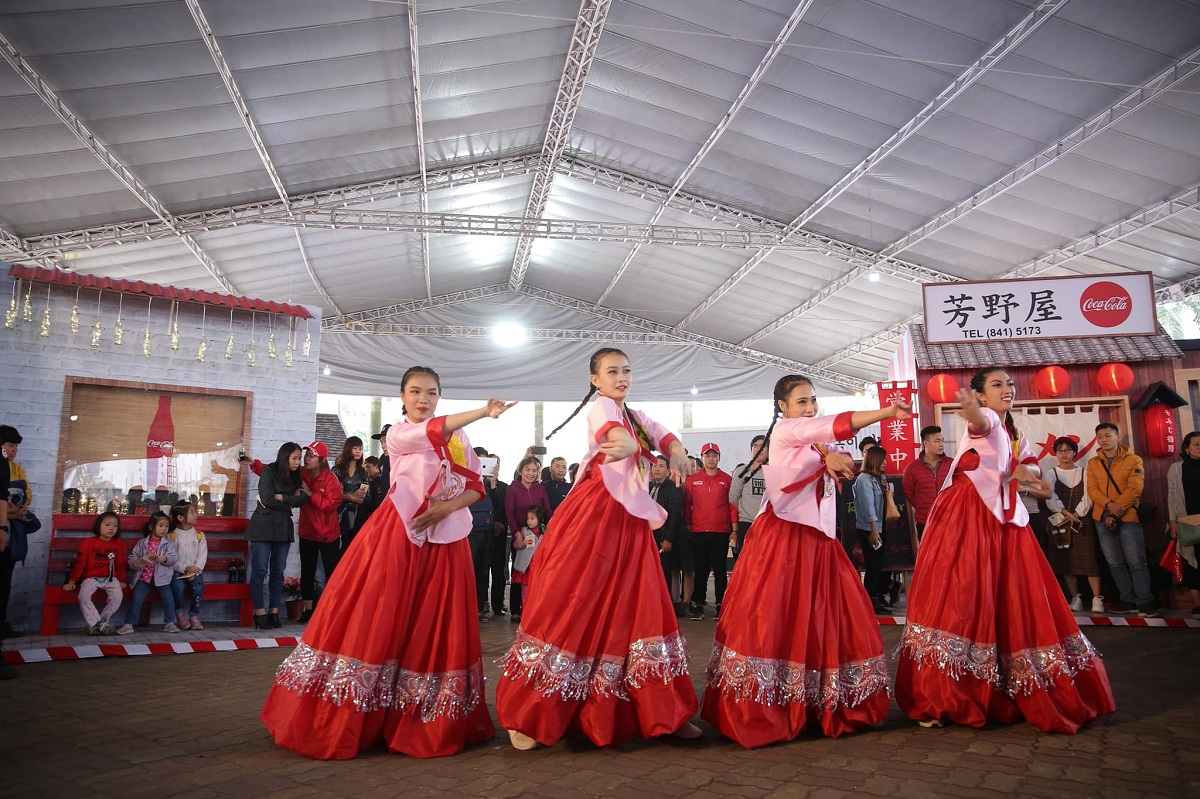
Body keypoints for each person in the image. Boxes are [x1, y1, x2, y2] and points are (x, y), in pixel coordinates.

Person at [261, 367, 515, 760]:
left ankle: (423, 713)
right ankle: (355, 712)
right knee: (379, 616)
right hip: (399, 535)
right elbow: (433, 431)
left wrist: (445, 507)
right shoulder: (397, 435)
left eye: (431, 393)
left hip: (446, 540)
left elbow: (475, 488)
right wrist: (484, 411)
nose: (423, 399)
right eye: (415, 391)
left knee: (435, 624)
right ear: (402, 396)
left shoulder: (460, 438)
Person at [496, 347, 701, 750]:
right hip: (596, 516)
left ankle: (662, 710)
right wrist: (624, 447)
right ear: (595, 380)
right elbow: (614, 438)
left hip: (629, 520)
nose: (622, 377)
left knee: (641, 603)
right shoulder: (602, 409)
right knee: (574, 599)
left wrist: (676, 451)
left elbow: (661, 434)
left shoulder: (634, 415)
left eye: (627, 370)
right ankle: (534, 709)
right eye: (612, 372)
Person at [895, 367, 1115, 733]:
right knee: (964, 598)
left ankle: (999, 686)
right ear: (980, 396)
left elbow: (1027, 462)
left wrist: (1030, 478)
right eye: (997, 385)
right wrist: (975, 413)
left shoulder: (1013, 431)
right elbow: (983, 426)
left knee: (1010, 597)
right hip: (968, 520)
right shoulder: (989, 422)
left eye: (1010, 384)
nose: (1008, 389)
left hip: (1003, 520)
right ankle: (946, 692)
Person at [703, 375, 908, 746]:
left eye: (813, 400)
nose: (810, 407)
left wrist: (831, 459)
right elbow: (830, 427)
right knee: (779, 614)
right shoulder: (784, 431)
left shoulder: (812, 440)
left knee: (822, 614)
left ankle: (816, 698)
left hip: (817, 540)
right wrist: (887, 412)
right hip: (785, 539)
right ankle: (771, 704)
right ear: (782, 407)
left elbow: (825, 443)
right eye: (801, 401)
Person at [1085, 422, 1155, 617]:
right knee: (1115, 563)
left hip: (1128, 516)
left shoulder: (1133, 460)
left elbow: (1135, 489)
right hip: (1102, 516)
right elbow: (1092, 490)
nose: (1104, 440)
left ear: (1117, 437)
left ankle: (1145, 601)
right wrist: (1109, 506)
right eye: (1100, 437)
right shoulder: (1093, 463)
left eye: (1108, 435)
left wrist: (1116, 511)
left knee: (1136, 561)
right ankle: (1128, 599)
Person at [245, 443, 309, 630]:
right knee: (259, 571)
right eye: (294, 458)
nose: (298, 462)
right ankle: (259, 612)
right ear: (285, 457)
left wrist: (282, 498)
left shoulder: (298, 475)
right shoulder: (269, 471)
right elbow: (267, 499)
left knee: (278, 571)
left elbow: (303, 498)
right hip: (262, 526)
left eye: (299, 458)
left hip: (282, 528)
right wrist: (288, 500)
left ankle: (274, 610)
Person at [1042, 437, 1103, 614]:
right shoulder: (1050, 472)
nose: (1064, 454)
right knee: (1066, 561)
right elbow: (1049, 496)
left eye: (1068, 450)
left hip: (1082, 520)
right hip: (1060, 521)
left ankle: (1096, 598)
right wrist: (1063, 512)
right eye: (1060, 450)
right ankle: (1075, 597)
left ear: (1074, 452)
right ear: (1055, 453)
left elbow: (1089, 494)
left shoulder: (1084, 471)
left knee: (1089, 558)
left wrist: (1076, 513)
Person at [684, 443, 736, 621]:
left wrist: (734, 529)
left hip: (720, 530)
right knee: (701, 569)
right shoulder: (693, 480)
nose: (711, 458)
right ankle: (699, 603)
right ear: (702, 458)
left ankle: (720, 604)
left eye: (714, 455)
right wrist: (689, 525)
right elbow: (687, 506)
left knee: (720, 569)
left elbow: (731, 506)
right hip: (699, 531)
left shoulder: (726, 480)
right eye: (707, 455)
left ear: (719, 457)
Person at [296, 441, 342, 623]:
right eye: (306, 455)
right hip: (307, 532)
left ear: (321, 460)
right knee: (306, 571)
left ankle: (331, 610)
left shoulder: (331, 479)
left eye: (311, 456)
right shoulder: (301, 473)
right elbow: (277, 472)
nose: (307, 459)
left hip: (328, 534)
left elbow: (331, 505)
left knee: (331, 573)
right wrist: (254, 464)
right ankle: (308, 611)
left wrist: (310, 493)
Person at [62, 511, 128, 635]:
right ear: (99, 525)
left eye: (115, 526)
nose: (111, 528)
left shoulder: (118, 543)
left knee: (117, 597)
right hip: (91, 578)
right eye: (107, 525)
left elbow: (121, 564)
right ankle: (100, 625)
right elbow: (80, 564)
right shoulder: (89, 543)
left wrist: (122, 580)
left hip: (110, 578)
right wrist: (72, 581)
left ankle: (97, 624)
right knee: (83, 596)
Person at [504, 456, 552, 622]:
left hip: (539, 536)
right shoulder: (513, 489)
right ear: (521, 471)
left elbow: (547, 509)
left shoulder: (540, 488)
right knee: (519, 570)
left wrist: (551, 530)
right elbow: (509, 512)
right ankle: (516, 610)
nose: (531, 473)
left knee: (538, 572)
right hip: (521, 535)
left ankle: (534, 608)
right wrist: (517, 533)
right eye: (528, 470)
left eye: (534, 470)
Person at [117, 512, 180, 634]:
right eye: (161, 525)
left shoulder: (169, 544)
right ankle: (129, 624)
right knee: (136, 598)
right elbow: (132, 558)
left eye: (166, 526)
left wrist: (164, 559)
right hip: (143, 578)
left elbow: (173, 558)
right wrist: (137, 562)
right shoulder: (142, 543)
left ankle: (170, 623)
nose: (164, 529)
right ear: (151, 527)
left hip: (162, 579)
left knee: (168, 599)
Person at [1166, 431, 1200, 619]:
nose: (1199, 447)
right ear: (1186, 448)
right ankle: (1197, 605)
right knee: (1192, 561)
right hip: (1188, 522)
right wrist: (1173, 522)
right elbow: (1171, 496)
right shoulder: (1176, 468)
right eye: (1196, 444)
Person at [853, 446, 890, 615]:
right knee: (873, 565)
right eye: (882, 460)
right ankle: (870, 601)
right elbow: (868, 508)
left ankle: (874, 598)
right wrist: (874, 531)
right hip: (870, 528)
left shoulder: (880, 478)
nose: (885, 463)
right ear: (874, 460)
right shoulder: (864, 479)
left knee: (879, 565)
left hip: (881, 526)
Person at [902, 426, 952, 542]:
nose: (941, 444)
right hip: (925, 520)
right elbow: (909, 493)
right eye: (937, 441)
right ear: (926, 443)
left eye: (942, 440)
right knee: (928, 557)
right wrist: (922, 506)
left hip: (950, 519)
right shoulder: (912, 468)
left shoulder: (952, 465)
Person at [649, 455, 684, 600]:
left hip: (663, 536)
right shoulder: (647, 486)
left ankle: (664, 605)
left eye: (661, 466)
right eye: (655, 466)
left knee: (664, 572)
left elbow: (675, 515)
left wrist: (668, 538)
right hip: (647, 536)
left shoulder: (673, 488)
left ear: (669, 471)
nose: (657, 469)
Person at [168, 501, 207, 630]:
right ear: (180, 517)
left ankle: (194, 616)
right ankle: (179, 615)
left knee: (198, 587)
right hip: (177, 572)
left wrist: (194, 571)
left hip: (195, 571)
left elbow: (202, 555)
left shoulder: (199, 536)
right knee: (178, 587)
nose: (196, 514)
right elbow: (171, 559)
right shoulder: (172, 536)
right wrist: (185, 569)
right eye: (192, 512)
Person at [467, 448, 495, 624]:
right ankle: (467, 609)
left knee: (483, 573)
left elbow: (498, 505)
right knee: (469, 573)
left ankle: (478, 609)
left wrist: (492, 484)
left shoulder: (491, 483)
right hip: (470, 533)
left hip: (488, 532)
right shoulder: (464, 481)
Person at [729, 435, 767, 559]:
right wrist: (746, 511)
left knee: (765, 561)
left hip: (768, 524)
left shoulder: (774, 470)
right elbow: (733, 497)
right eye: (755, 446)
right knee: (746, 561)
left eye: (762, 446)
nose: (758, 449)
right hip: (747, 522)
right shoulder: (742, 470)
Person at [510, 505, 547, 619]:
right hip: (526, 569)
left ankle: (536, 615)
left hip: (539, 569)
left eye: (532, 518)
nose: (529, 521)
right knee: (525, 594)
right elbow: (515, 545)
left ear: (540, 519)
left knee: (538, 593)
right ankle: (526, 616)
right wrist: (521, 543)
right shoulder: (524, 531)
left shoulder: (546, 531)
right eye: (528, 518)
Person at [333, 437, 369, 547]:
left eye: (361, 449)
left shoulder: (363, 473)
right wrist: (350, 496)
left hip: (358, 516)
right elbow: (333, 494)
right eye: (355, 448)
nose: (359, 451)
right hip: (338, 514)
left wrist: (351, 497)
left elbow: (365, 498)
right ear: (348, 449)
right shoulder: (337, 470)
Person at [486, 455, 510, 618]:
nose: (495, 466)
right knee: (481, 570)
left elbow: (505, 507)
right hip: (484, 532)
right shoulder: (479, 485)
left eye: (497, 462)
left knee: (499, 570)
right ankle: (481, 603)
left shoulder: (505, 486)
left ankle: (498, 603)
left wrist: (501, 524)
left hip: (500, 533)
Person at [349, 455, 385, 546]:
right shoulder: (367, 481)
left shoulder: (379, 483)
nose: (366, 470)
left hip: (369, 517)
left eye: (368, 467)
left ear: (377, 467)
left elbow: (375, 502)